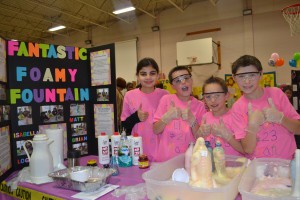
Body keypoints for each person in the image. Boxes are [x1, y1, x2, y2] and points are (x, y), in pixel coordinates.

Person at [231, 55, 300, 160]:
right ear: (234, 78)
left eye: (252, 75)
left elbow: (298, 129)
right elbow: (248, 149)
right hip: (259, 168)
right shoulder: (237, 108)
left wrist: (281, 119)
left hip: (287, 163)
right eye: (241, 76)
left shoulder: (276, 93)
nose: (247, 81)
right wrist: (252, 127)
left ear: (261, 74)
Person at [153, 66, 206, 162]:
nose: (183, 82)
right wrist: (166, 118)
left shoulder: (200, 106)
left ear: (191, 80)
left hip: (190, 161)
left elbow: (201, 138)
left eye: (186, 78)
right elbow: (156, 130)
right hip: (165, 160)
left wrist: (192, 121)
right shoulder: (166, 100)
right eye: (178, 80)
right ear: (173, 86)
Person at [121, 57, 168, 161]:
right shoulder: (129, 95)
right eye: (143, 74)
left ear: (158, 75)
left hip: (162, 149)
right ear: (137, 76)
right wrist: (136, 117)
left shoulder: (165, 95)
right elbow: (124, 125)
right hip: (138, 149)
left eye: (152, 73)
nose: (148, 77)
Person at [197, 76, 244, 156]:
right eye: (208, 96)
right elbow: (200, 143)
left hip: (233, 166)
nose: (213, 100)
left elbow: (244, 149)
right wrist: (200, 134)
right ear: (204, 98)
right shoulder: (205, 117)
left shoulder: (235, 116)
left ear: (226, 95)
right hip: (212, 165)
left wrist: (228, 136)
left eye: (217, 95)